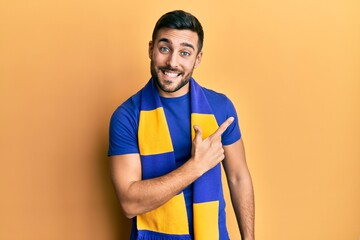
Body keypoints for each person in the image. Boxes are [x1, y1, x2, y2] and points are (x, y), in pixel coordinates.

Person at [108, 10, 255, 240]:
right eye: (164, 48)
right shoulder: (127, 117)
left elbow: (238, 177)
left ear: (197, 59)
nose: (172, 62)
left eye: (185, 53)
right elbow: (130, 203)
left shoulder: (220, 107)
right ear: (151, 49)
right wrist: (196, 167)